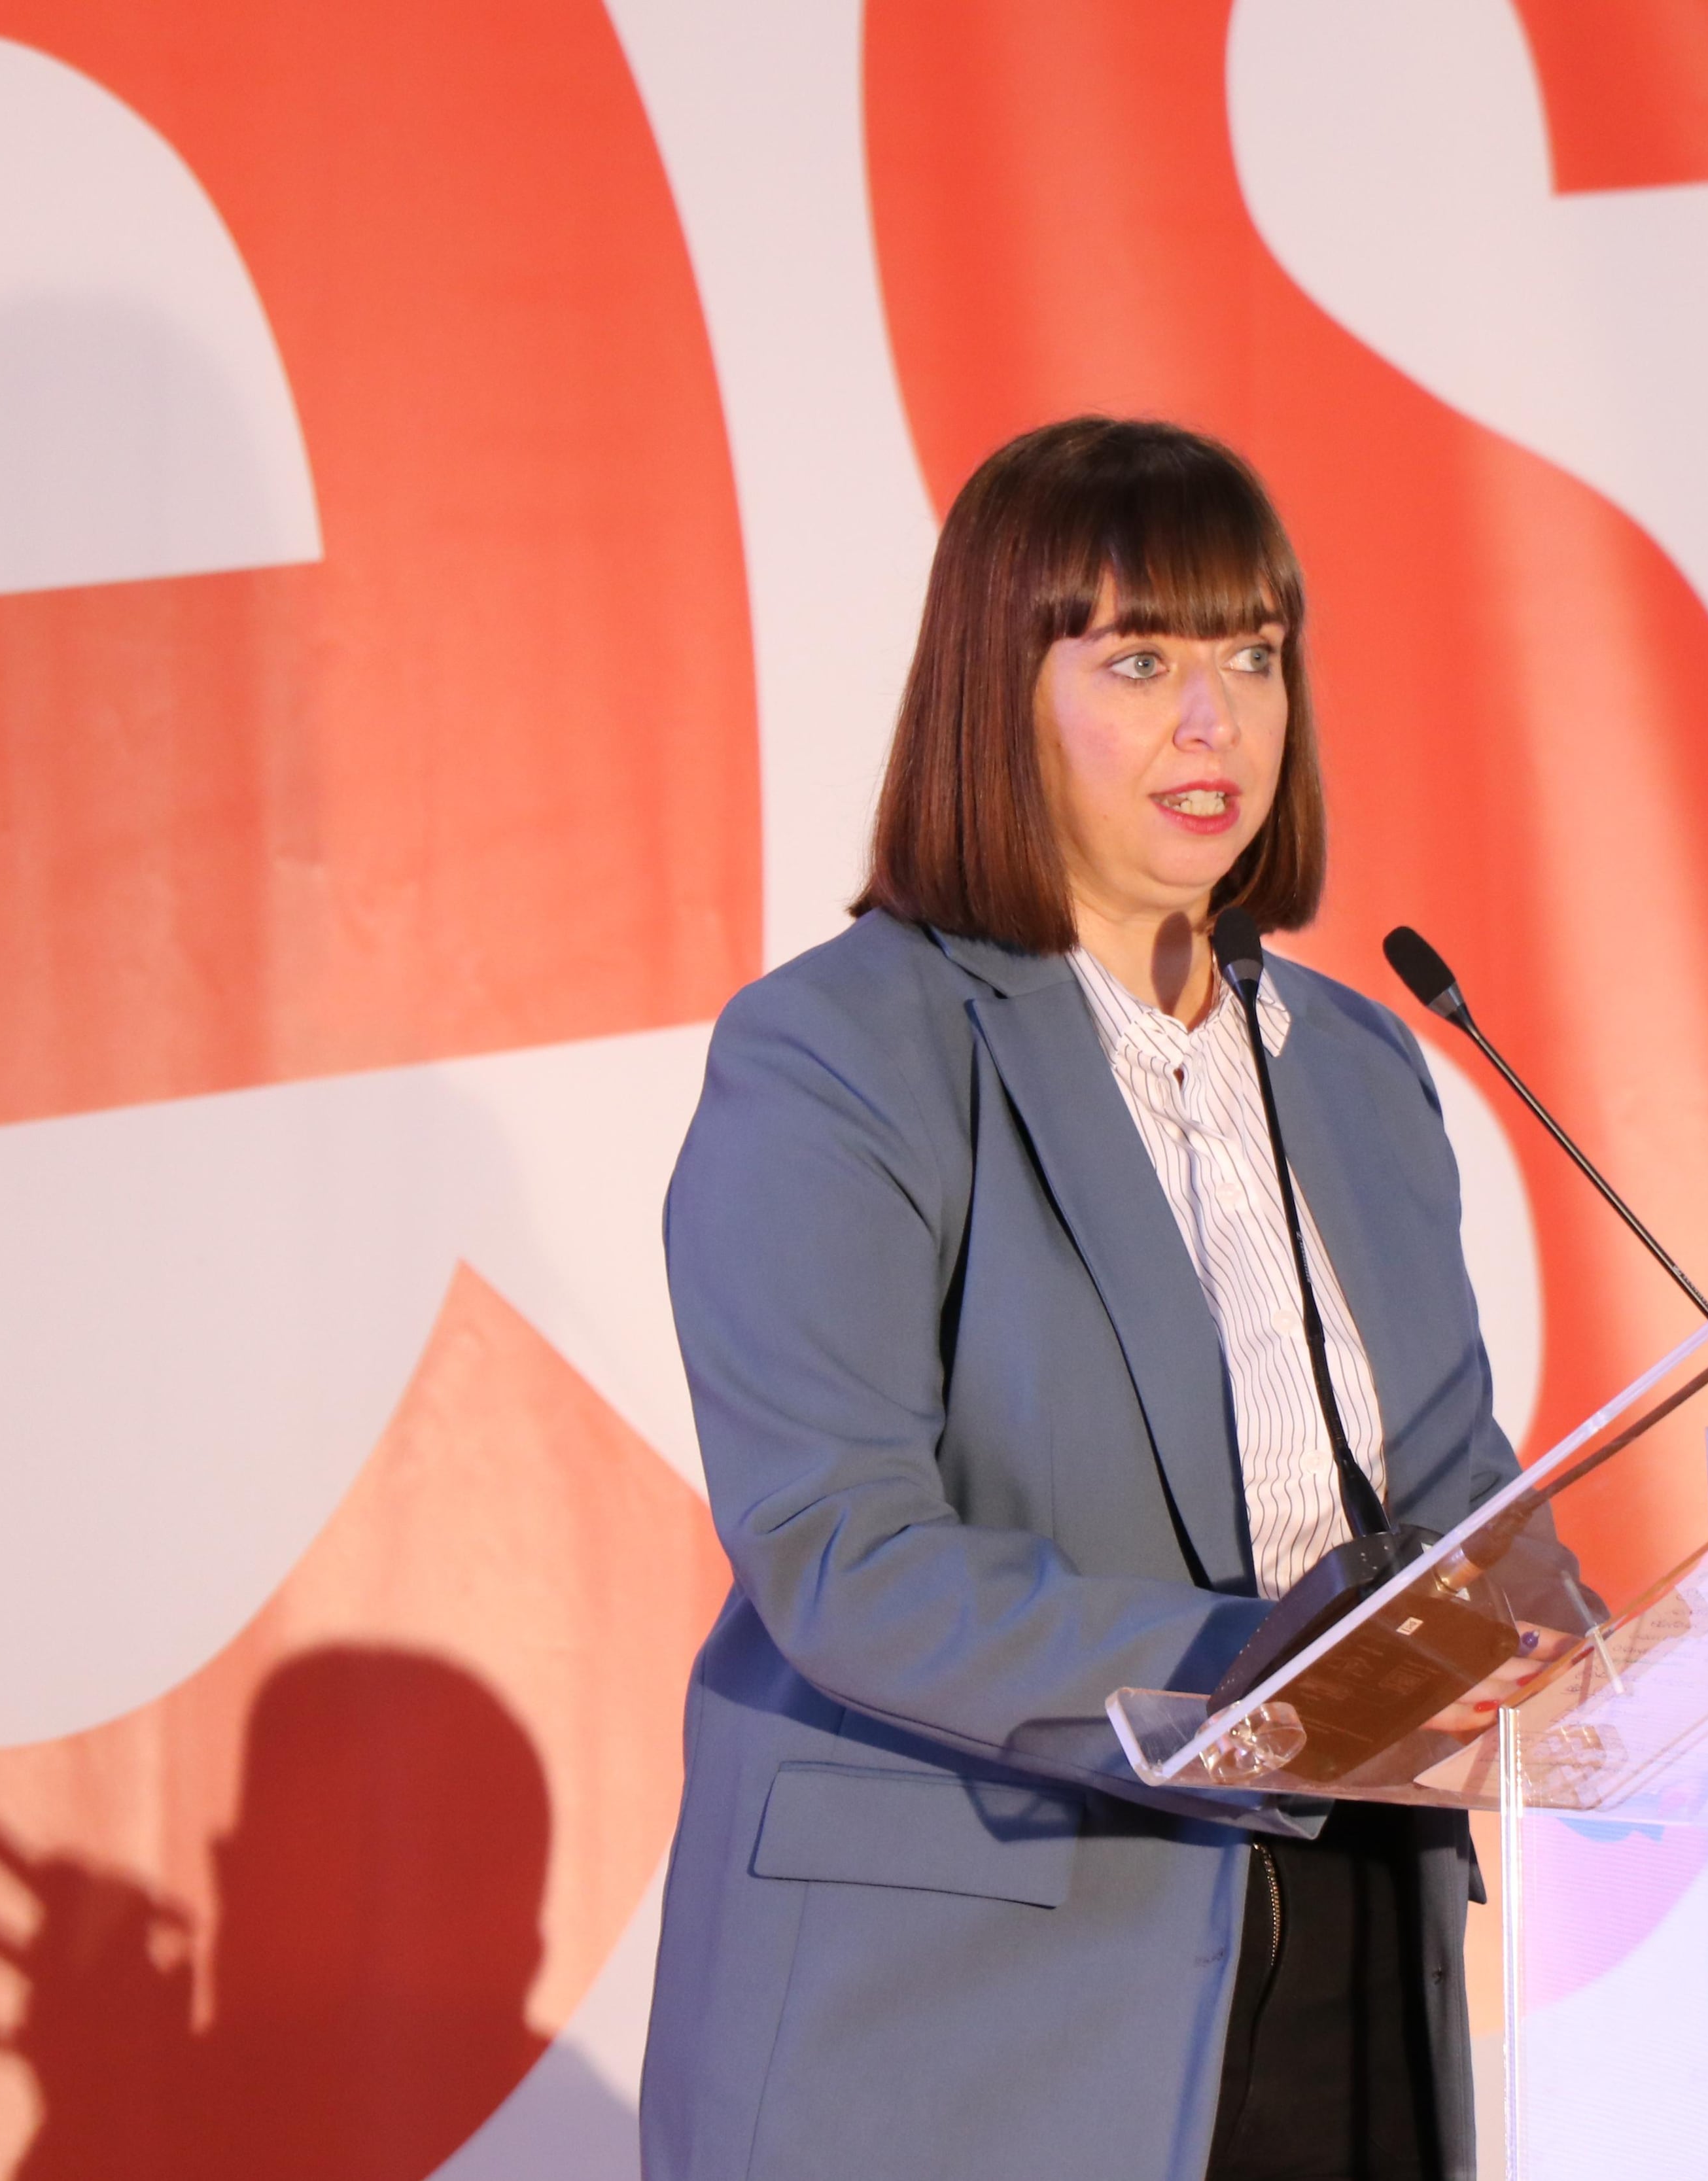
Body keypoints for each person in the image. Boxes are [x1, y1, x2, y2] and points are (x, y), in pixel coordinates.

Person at [644, 417, 1555, 2181]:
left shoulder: (1361, 1070)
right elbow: (841, 1549)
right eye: (1140, 660)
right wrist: (1249, 1678)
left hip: (1355, 1959)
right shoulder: (846, 1054)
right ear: (1004, 694)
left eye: (1252, 657)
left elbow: (1455, 1509)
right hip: (980, 2017)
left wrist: (1580, 1650)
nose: (1215, 721)